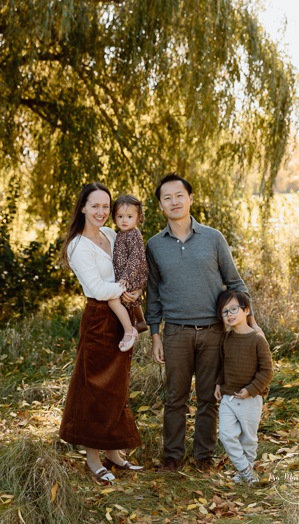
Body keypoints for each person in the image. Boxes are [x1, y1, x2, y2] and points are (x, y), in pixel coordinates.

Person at [145, 173, 261, 472]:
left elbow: (235, 283)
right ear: (160, 205)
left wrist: (248, 324)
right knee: (175, 398)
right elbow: (154, 294)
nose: (174, 201)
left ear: (190, 199)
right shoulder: (155, 245)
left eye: (179, 195)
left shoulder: (213, 237)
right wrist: (155, 335)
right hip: (176, 334)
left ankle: (203, 457)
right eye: (167, 197)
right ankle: (173, 456)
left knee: (209, 397)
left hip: (213, 332)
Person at [58, 182, 144, 484]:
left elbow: (128, 263)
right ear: (82, 207)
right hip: (99, 319)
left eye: (106, 206)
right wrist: (125, 291)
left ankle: (114, 452)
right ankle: (93, 457)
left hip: (120, 314)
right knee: (95, 388)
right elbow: (96, 287)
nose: (101, 212)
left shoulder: (110, 234)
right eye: (95, 206)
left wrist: (133, 290)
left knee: (117, 387)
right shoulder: (78, 245)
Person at [214, 289, 273, 485]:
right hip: (229, 398)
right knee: (226, 434)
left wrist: (251, 389)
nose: (229, 314)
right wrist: (218, 384)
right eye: (224, 312)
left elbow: (267, 371)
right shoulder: (226, 339)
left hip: (250, 399)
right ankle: (246, 471)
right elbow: (223, 365)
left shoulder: (257, 339)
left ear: (246, 310)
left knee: (248, 439)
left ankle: (244, 472)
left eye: (233, 309)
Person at [109, 194, 149, 352]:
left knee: (122, 298)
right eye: (120, 216)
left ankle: (136, 324)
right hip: (126, 275)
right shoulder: (120, 234)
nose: (124, 220)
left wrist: (126, 277)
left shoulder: (134, 234)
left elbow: (135, 258)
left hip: (134, 274)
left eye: (129, 216)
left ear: (138, 217)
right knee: (129, 299)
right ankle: (139, 321)